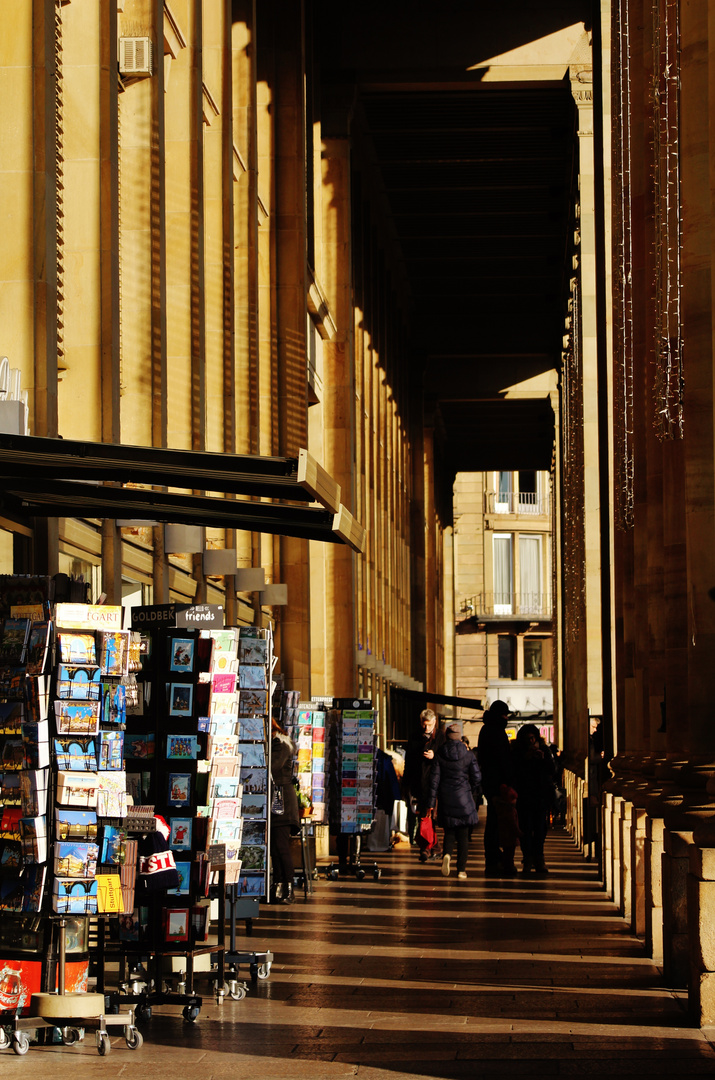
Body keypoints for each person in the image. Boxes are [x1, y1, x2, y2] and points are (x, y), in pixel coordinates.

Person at [426, 721, 481, 879]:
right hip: (464, 798)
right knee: (463, 837)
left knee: (449, 833)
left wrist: (430, 804)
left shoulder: (440, 755)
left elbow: (434, 781)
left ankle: (447, 855)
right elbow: (477, 776)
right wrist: (470, 788)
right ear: (459, 738)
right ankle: (462, 870)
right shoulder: (468, 754)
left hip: (446, 799)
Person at [476, 700, 514, 875]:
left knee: (495, 821)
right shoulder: (495, 731)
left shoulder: (488, 729)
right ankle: (494, 860)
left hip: (492, 783)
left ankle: (494, 859)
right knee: (497, 822)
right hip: (498, 784)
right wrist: (505, 781)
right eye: (505, 714)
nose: (506, 717)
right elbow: (501, 760)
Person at [513, 724, 556, 875]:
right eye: (528, 739)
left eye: (533, 738)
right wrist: (526, 759)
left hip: (540, 795)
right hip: (524, 796)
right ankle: (527, 858)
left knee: (540, 829)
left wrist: (542, 759)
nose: (531, 741)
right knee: (525, 828)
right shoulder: (518, 752)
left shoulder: (544, 750)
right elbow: (515, 772)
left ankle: (539, 858)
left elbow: (552, 770)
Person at [404, 708, 445, 861]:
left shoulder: (440, 736)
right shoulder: (415, 736)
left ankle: (430, 847)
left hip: (435, 783)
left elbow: (446, 757)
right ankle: (429, 847)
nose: (426, 728)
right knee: (424, 815)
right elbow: (409, 760)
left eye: (429, 725)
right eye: (424, 725)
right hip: (419, 782)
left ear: (434, 722)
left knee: (431, 815)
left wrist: (435, 756)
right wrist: (407, 783)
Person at [270, 717, 301, 902]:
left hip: (282, 802)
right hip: (277, 800)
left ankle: (288, 887)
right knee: (275, 847)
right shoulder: (278, 743)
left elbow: (273, 768)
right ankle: (280, 885)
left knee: (281, 846)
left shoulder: (280, 744)